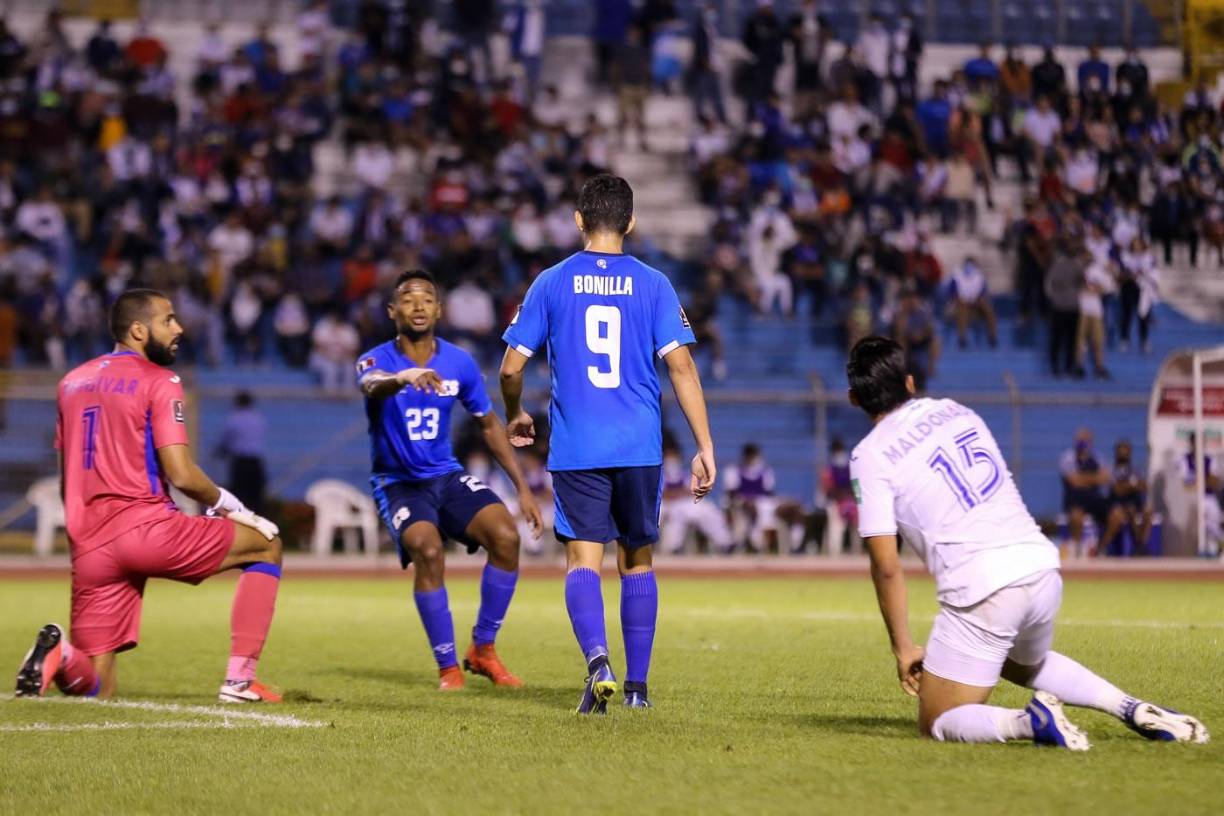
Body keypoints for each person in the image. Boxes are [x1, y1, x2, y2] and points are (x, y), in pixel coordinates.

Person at [846, 336, 1209, 749]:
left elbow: (886, 564)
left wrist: (903, 646)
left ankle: (1029, 722)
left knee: (938, 720)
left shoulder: (869, 455)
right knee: (1019, 664)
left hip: (984, 589)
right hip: (1039, 567)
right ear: (910, 383)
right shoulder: (955, 411)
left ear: (854, 399)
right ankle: (1129, 706)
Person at [500, 173, 716, 713]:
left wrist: (515, 412)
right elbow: (682, 367)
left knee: (581, 560)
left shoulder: (550, 281)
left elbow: (510, 367)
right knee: (637, 562)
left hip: (578, 448)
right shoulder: (654, 284)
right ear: (631, 222)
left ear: (578, 221)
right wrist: (704, 445)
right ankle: (638, 690)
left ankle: (598, 661)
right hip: (639, 447)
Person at [15, 289, 284, 703]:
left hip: (88, 543)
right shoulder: (161, 380)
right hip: (146, 529)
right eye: (169, 320)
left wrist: (80, 536)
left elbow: (67, 472)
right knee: (267, 546)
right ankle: (240, 681)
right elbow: (181, 474)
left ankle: (64, 656)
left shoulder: (70, 382)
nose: (179, 328)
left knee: (97, 689)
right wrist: (234, 507)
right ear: (139, 330)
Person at [356, 270, 543, 691]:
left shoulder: (459, 362)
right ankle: (447, 668)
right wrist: (404, 377)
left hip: (445, 476)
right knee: (427, 547)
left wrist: (523, 489)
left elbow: (489, 423)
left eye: (427, 299)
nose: (418, 305)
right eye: (408, 299)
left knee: (506, 537)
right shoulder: (376, 359)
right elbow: (372, 386)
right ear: (392, 311)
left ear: (439, 310)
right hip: (398, 483)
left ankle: (483, 649)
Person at [660, 442, 732, 555]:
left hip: (685, 504)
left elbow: (692, 491)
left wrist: (677, 494)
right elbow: (662, 494)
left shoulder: (684, 475)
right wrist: (679, 493)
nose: (672, 459)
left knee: (709, 510)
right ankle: (674, 547)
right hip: (668, 505)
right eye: (670, 456)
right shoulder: (661, 475)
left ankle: (725, 543)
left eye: (674, 456)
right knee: (677, 514)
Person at [1059, 428, 1112, 557]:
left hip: (1094, 498)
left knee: (1115, 515)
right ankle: (1078, 548)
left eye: (1086, 440)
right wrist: (1095, 478)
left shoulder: (1097, 458)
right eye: (1080, 440)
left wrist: (1084, 478)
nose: (1083, 443)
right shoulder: (1068, 457)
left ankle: (1101, 547)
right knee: (1077, 516)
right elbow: (1074, 481)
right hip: (1075, 498)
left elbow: (1105, 478)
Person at [216, 391, 268, 514]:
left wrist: (219, 451)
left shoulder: (234, 419)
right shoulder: (258, 419)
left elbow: (226, 441)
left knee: (239, 496)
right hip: (256, 461)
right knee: (256, 497)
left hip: (240, 462)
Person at [1103, 440, 1152, 556]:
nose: (1124, 455)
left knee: (1148, 511)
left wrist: (1130, 486)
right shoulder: (1111, 469)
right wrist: (1132, 486)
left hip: (1134, 500)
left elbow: (1144, 487)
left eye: (1126, 452)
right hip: (1118, 503)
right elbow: (1116, 489)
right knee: (1131, 511)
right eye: (1121, 452)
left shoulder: (1135, 469)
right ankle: (1137, 545)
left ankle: (1141, 545)